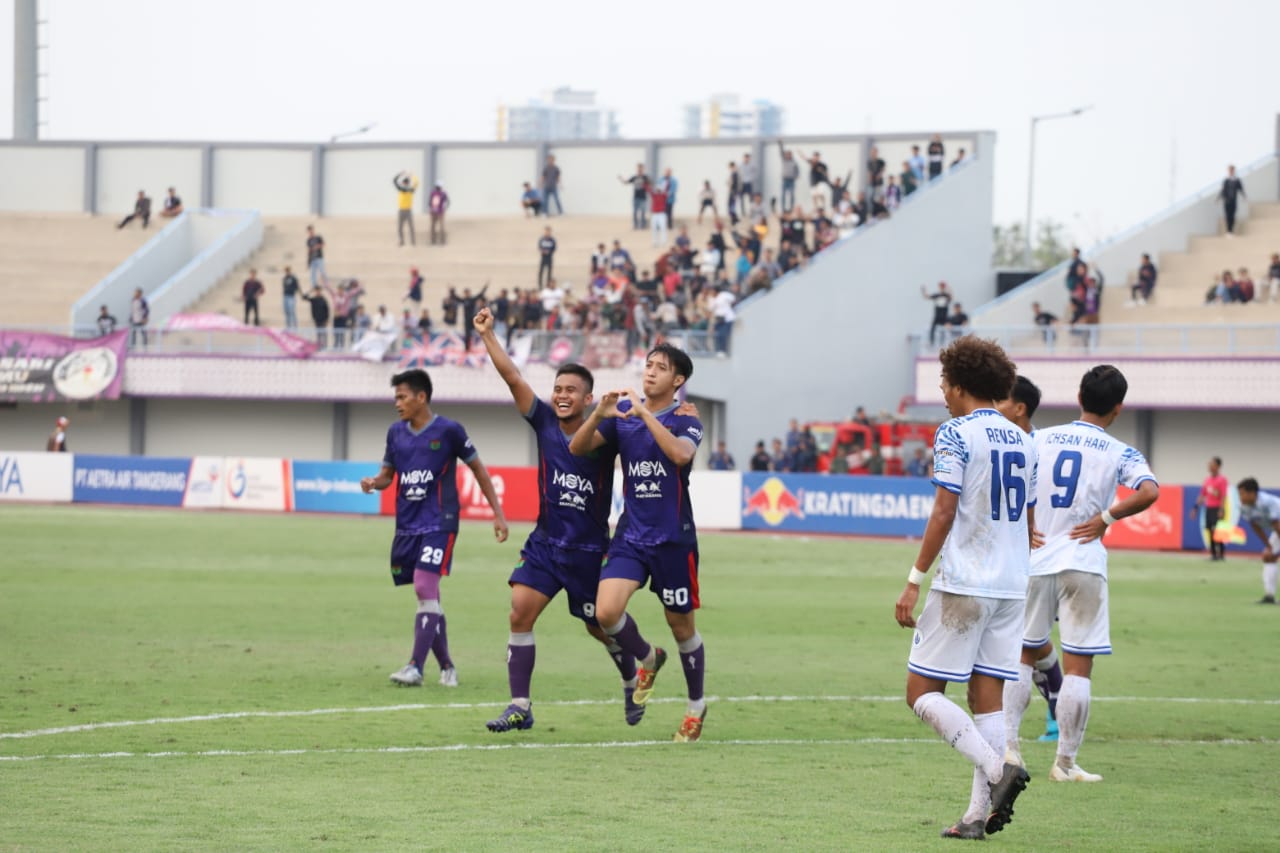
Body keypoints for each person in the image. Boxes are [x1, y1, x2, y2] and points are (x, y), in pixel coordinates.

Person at [475, 307, 672, 732]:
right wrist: (489, 335)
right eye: (557, 388)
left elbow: (649, 429)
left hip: (587, 552)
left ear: (588, 399)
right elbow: (513, 378)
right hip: (546, 545)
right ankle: (520, 707)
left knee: (601, 629)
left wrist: (677, 412)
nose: (561, 395)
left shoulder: (605, 433)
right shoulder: (544, 421)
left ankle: (640, 664)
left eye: (571, 390)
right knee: (519, 614)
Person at [895, 335, 1031, 841]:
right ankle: (977, 816)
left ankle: (999, 773)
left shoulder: (955, 432)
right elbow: (1028, 516)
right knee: (986, 697)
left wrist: (913, 580)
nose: (943, 392)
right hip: (1013, 585)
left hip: (966, 583)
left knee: (920, 692)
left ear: (959, 385)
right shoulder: (1023, 437)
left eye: (944, 383)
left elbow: (944, 509)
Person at [1002, 365, 1159, 786]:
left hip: (1036, 559)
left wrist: (1027, 522)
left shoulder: (1040, 437)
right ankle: (1065, 763)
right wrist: (1106, 517)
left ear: (1079, 396)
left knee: (1021, 655)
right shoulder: (1120, 451)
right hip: (1084, 562)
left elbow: (1015, 478)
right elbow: (1149, 491)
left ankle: (1008, 747)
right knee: (1077, 669)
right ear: (1118, 408)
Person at [569, 343, 709, 743]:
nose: (650, 372)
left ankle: (696, 706)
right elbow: (577, 448)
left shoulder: (686, 419)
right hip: (631, 535)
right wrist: (600, 411)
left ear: (677, 380)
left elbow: (681, 456)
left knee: (682, 627)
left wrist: (645, 412)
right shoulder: (622, 417)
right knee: (605, 612)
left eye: (660, 368)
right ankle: (648, 657)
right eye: (648, 365)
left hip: (673, 540)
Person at [360, 369, 509, 688]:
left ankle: (415, 666)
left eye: (402, 397)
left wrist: (497, 513)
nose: (397, 403)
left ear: (421, 397)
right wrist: (375, 482)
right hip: (407, 526)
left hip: (440, 522)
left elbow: (479, 471)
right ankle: (448, 668)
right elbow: (388, 475)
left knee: (424, 588)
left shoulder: (450, 431)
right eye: (395, 397)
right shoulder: (395, 433)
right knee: (430, 599)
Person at [996, 375, 1061, 743]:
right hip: (1017, 557)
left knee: (1026, 642)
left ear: (1019, 408)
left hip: (1039, 558)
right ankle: (1057, 709)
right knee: (1031, 641)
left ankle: (1050, 715)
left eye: (1001, 399)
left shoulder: (1036, 446)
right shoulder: (1018, 443)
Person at [1236, 478, 1280, 604]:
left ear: (1252, 493)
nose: (1240, 497)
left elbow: (1277, 525)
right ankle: (1269, 596)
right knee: (1268, 556)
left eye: (1242, 494)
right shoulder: (1244, 507)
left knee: (1270, 555)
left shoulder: (1267, 502)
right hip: (1277, 529)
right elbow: (1255, 526)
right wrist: (1268, 546)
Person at [1193, 457, 1229, 561]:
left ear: (1218, 466)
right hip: (1209, 508)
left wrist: (1221, 509)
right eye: (1209, 464)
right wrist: (1195, 507)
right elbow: (1202, 494)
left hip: (1218, 508)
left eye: (1212, 464)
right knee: (1210, 531)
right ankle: (1213, 554)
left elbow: (1223, 496)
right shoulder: (1207, 480)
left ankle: (1221, 555)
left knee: (1218, 532)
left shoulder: (1222, 480)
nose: (1209, 466)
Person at [619, 164, 649, 230]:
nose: (639, 170)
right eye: (638, 169)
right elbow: (626, 182)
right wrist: (621, 179)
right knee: (635, 212)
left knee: (643, 212)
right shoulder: (634, 177)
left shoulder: (645, 177)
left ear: (643, 169)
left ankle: (643, 225)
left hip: (643, 197)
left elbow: (650, 184)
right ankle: (635, 225)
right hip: (636, 197)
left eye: (641, 169)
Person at [1219, 164, 1246, 236]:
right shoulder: (1226, 180)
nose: (1231, 172)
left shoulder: (1237, 180)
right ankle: (1228, 230)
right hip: (1227, 201)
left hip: (1234, 201)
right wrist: (1219, 198)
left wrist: (1244, 196)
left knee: (1232, 215)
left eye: (1232, 170)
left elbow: (1241, 189)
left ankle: (1231, 230)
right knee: (1227, 215)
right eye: (1230, 170)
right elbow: (1223, 190)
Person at [921, 282, 951, 346]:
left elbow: (951, 297)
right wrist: (924, 291)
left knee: (944, 330)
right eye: (941, 286)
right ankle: (931, 341)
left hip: (944, 316)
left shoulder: (946, 295)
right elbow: (927, 297)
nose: (942, 288)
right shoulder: (936, 295)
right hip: (937, 316)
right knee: (933, 328)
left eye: (943, 286)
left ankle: (942, 342)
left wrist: (949, 289)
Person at [300, 283, 330, 348]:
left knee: (324, 333)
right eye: (316, 291)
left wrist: (327, 319)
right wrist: (311, 291)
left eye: (318, 290)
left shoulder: (323, 300)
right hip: (316, 319)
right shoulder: (314, 299)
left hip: (323, 319)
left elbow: (327, 310)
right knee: (318, 333)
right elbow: (303, 297)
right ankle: (319, 346)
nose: (317, 292)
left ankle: (325, 346)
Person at [393, 172, 418, 246]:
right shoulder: (401, 189)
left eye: (406, 183)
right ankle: (401, 241)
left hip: (408, 210)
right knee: (400, 227)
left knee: (411, 227)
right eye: (404, 182)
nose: (405, 184)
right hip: (401, 210)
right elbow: (394, 180)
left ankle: (413, 242)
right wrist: (400, 174)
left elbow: (416, 182)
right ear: (403, 183)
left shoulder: (410, 190)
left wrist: (412, 175)